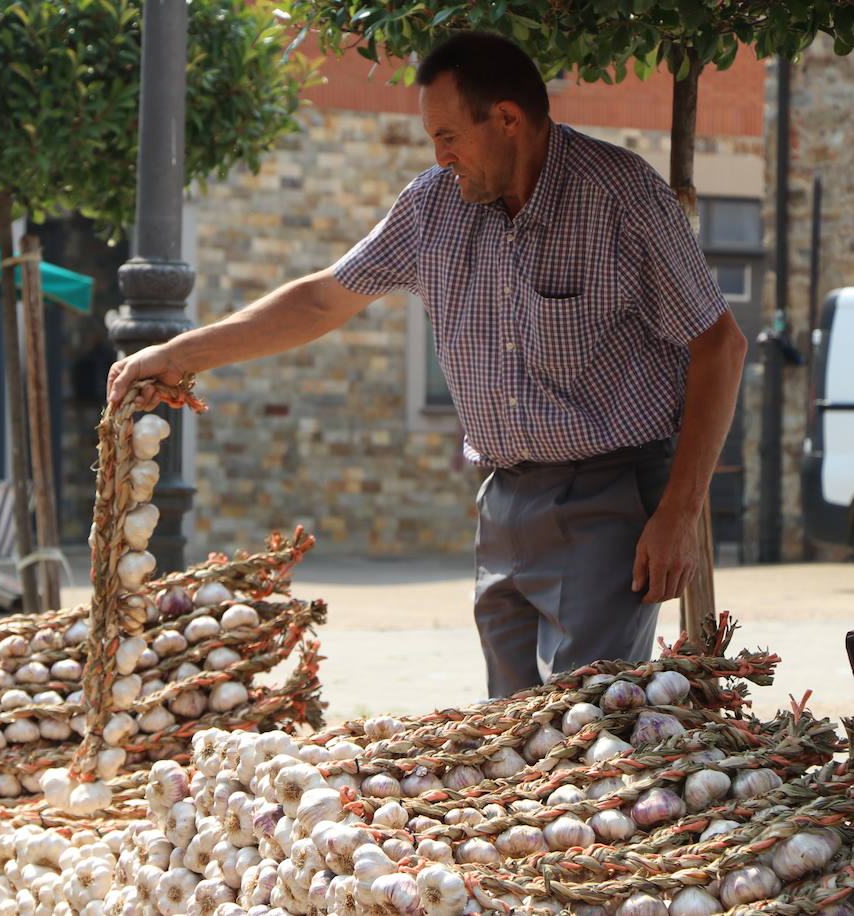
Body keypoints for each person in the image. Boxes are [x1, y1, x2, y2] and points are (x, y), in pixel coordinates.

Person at [107, 32, 748, 698]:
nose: (440, 156)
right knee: (508, 736)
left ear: (507, 119)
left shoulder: (620, 197)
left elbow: (720, 347)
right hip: (502, 501)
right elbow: (322, 300)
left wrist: (678, 512)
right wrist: (180, 353)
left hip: (612, 498)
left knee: (589, 722)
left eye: (448, 136)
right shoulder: (433, 205)